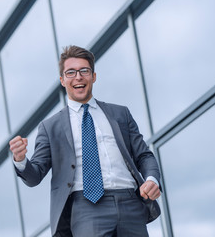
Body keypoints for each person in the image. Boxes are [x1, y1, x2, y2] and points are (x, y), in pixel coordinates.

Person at [9, 45, 161, 237]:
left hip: (131, 202)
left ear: (93, 76)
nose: (78, 77)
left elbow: (144, 155)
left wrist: (151, 179)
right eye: (71, 72)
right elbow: (34, 176)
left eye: (84, 71)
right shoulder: (50, 127)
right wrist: (21, 159)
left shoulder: (120, 114)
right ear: (62, 80)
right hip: (86, 207)